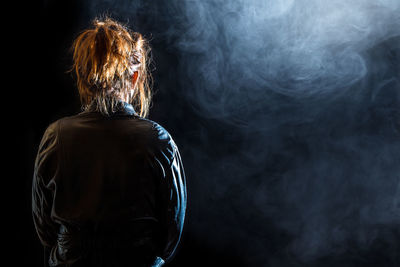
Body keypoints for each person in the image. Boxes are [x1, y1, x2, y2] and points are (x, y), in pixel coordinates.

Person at [32, 17, 187, 267]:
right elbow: (169, 238)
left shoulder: (56, 136)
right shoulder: (158, 140)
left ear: (84, 77)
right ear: (135, 77)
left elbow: (45, 230)